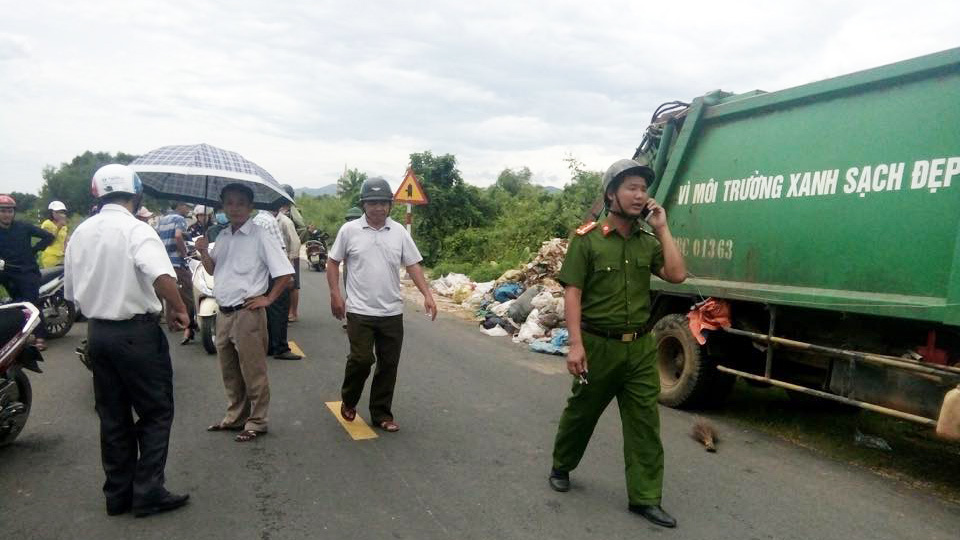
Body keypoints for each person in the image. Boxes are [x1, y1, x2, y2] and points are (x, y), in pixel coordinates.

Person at [548, 158, 687, 528]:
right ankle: (561, 464)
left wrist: (663, 228)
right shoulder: (587, 240)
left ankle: (644, 498)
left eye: (643, 189)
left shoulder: (647, 241)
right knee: (582, 412)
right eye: (632, 188)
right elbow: (573, 293)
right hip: (598, 345)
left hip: (641, 348)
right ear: (612, 193)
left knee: (645, 423)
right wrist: (575, 345)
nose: (640, 195)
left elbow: (676, 275)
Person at [64, 164, 191, 517]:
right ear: (136, 196)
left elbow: (72, 294)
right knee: (156, 411)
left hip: (98, 334)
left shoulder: (80, 233)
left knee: (112, 415)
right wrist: (180, 309)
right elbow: (161, 274)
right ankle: (148, 490)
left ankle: (117, 494)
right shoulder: (137, 230)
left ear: (97, 194)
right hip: (136, 334)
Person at [326, 177, 437, 433]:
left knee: (388, 365)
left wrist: (427, 294)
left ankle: (381, 414)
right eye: (372, 203)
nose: (378, 208)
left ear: (389, 205)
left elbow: (413, 264)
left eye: (383, 203)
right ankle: (350, 399)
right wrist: (335, 295)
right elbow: (333, 263)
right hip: (359, 310)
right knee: (362, 359)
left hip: (391, 312)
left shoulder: (398, 231)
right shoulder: (349, 231)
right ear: (364, 204)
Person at [195, 183, 294, 442]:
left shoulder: (261, 235)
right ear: (223, 206)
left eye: (240, 202)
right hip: (223, 311)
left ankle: (257, 421)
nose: (234, 207)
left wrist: (268, 298)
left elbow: (284, 273)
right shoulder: (224, 235)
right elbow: (214, 270)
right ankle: (235, 416)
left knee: (253, 370)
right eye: (229, 202)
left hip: (247, 311)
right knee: (229, 370)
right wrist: (204, 251)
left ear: (250, 207)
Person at [0, 194, 54, 350]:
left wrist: (34, 250)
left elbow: (48, 236)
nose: (7, 214)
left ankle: (40, 336)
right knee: (14, 304)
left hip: (27, 272)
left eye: (10, 211)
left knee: (30, 303)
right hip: (6, 273)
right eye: (3, 211)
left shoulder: (23, 227)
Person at [253, 202, 300, 360]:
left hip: (260, 271)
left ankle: (267, 345)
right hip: (274, 271)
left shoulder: (255, 220)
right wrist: (288, 274)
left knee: (267, 310)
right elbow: (279, 249)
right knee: (279, 308)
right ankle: (280, 347)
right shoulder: (270, 221)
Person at [156, 201, 197, 345]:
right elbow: (178, 236)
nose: (187, 210)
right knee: (187, 294)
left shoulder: (162, 220)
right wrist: (184, 253)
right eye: (187, 206)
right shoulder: (179, 219)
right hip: (177, 261)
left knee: (171, 293)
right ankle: (188, 324)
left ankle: (172, 323)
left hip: (164, 262)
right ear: (179, 205)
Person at [280, 185, 303, 322]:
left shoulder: (293, 211)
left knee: (293, 285)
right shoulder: (278, 210)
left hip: (291, 252)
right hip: (280, 253)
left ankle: (293, 312)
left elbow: (301, 228)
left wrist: (293, 255)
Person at [39, 200, 69, 268]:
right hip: (51, 256)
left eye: (62, 212)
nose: (60, 214)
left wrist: (66, 253)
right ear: (51, 213)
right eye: (57, 212)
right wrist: (58, 227)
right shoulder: (47, 224)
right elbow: (48, 241)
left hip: (62, 256)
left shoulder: (64, 226)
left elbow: (65, 241)